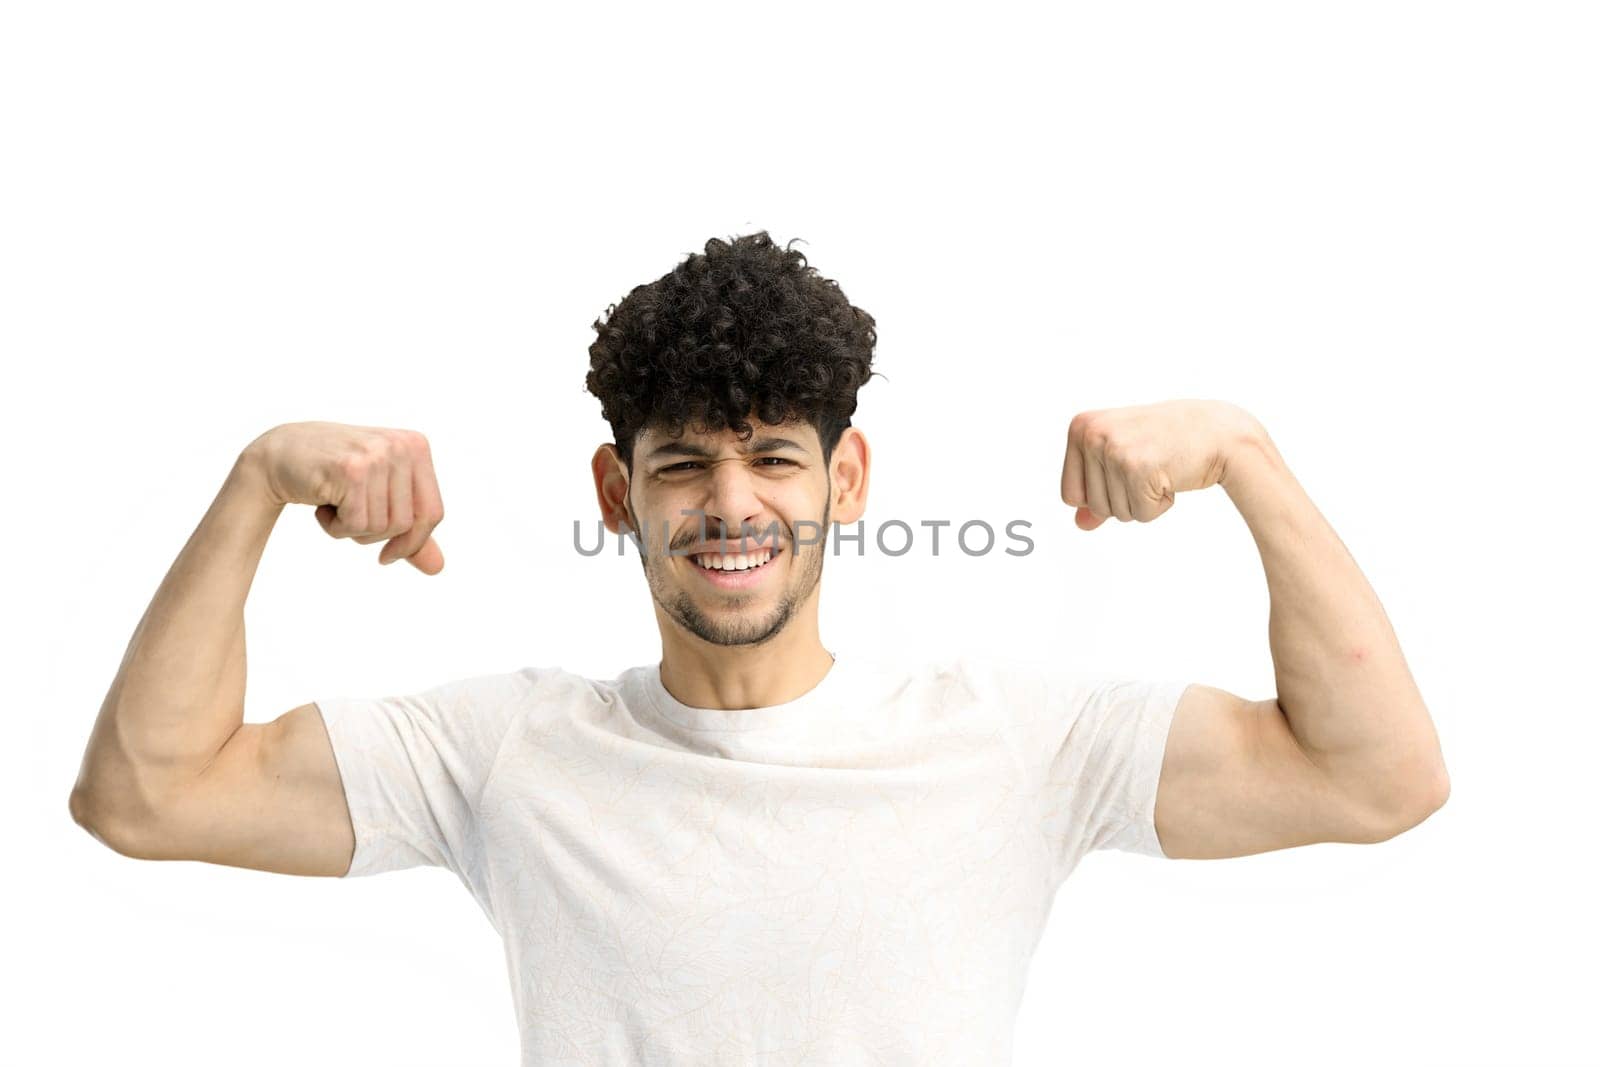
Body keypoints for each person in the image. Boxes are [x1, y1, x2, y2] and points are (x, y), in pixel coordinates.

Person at [68, 231, 1450, 1065]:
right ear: (620, 497)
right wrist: (254, 482)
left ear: (846, 483)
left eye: (775, 459)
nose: (732, 505)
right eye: (684, 465)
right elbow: (148, 794)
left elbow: (1376, 777)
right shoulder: (503, 753)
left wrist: (1247, 458)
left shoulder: (1018, 740)